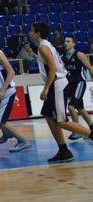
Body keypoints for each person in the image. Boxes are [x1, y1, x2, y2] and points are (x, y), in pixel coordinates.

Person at [29, 22, 93, 163]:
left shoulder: (44, 47)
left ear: (38, 34)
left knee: (62, 121)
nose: (30, 33)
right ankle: (63, 150)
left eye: (31, 31)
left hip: (57, 84)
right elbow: (61, 64)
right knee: (47, 114)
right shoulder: (47, 45)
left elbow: (52, 68)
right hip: (56, 82)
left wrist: (46, 88)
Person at [0, 31, 31, 152]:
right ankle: (6, 133)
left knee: (0, 120)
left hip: (7, 90)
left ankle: (22, 141)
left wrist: (3, 90)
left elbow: (11, 72)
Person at [62, 36, 93, 140]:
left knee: (70, 107)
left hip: (79, 83)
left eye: (68, 41)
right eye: (65, 41)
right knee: (80, 108)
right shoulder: (63, 57)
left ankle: (77, 131)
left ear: (73, 44)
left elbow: (90, 68)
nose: (66, 43)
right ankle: (91, 129)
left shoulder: (79, 55)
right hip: (70, 85)